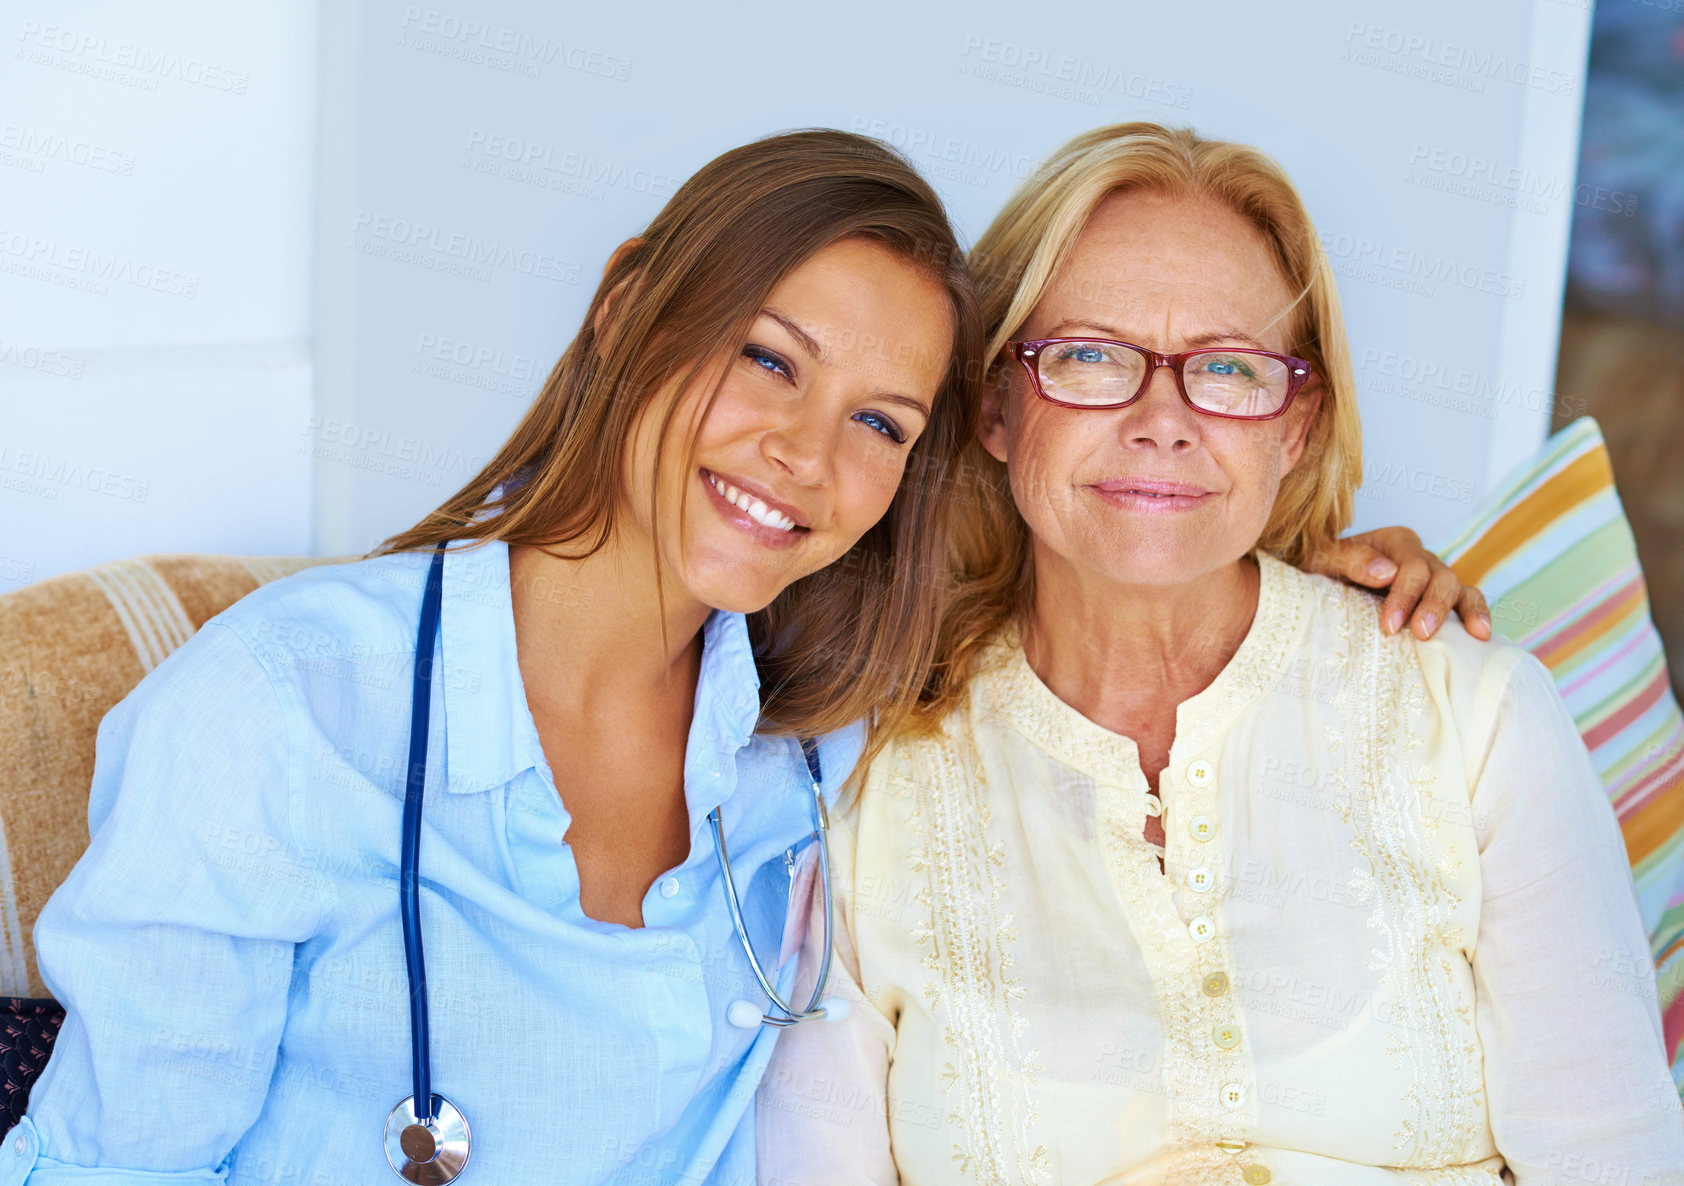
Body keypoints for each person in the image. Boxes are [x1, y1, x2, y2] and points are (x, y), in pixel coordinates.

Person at [7, 129, 1472, 1186]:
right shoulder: (288, 710)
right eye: (771, 359)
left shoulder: (838, 740)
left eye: (881, 424)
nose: (802, 454)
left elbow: (1114, 578)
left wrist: (1331, 572)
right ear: (628, 302)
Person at [758, 123, 1684, 1184]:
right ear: (996, 406)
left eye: (1230, 369)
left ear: (1296, 426)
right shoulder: (859, 787)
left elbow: (1612, 1153)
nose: (1163, 421)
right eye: (1090, 356)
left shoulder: (1469, 713)